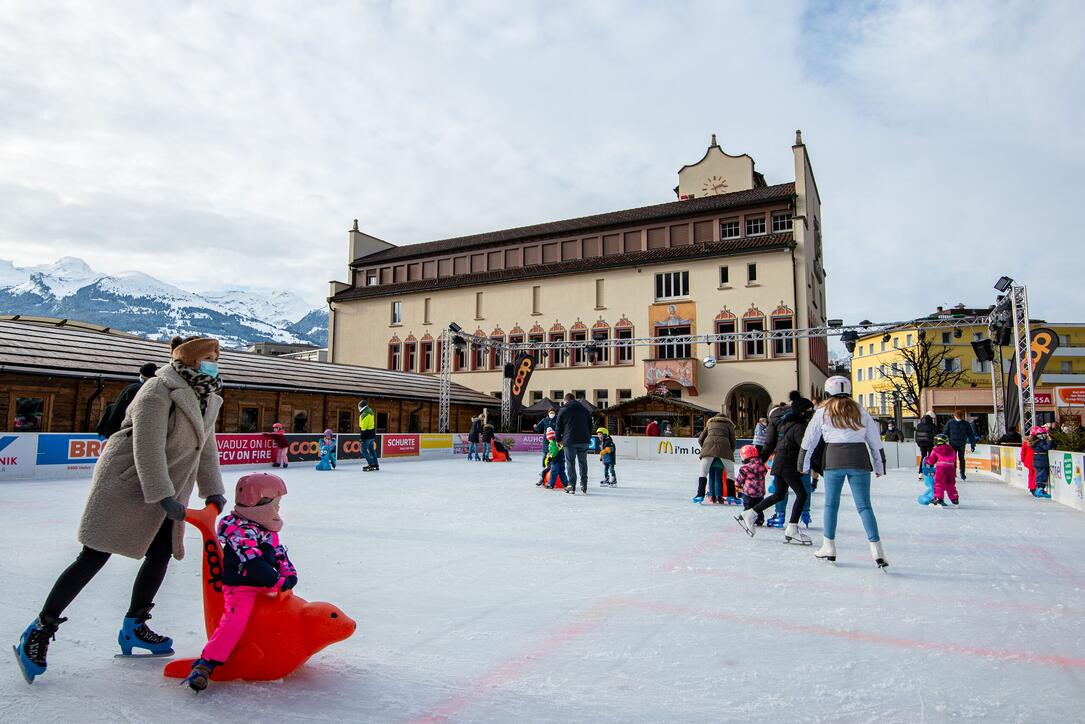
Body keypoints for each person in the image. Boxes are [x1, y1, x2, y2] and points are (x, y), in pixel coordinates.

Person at [15, 336, 227, 684]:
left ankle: (135, 626)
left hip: (168, 487)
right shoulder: (158, 390)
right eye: (207, 356)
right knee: (94, 554)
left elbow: (206, 447)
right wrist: (161, 494)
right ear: (188, 360)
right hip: (127, 482)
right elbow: (147, 445)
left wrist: (213, 490)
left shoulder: (209, 396)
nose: (214, 361)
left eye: (217, 356)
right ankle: (39, 630)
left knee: (160, 553)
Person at [183, 473, 297, 691]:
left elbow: (279, 553)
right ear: (260, 503)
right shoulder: (239, 530)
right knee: (235, 621)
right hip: (241, 588)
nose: (279, 509)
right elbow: (253, 563)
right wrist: (278, 581)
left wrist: (289, 573)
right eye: (276, 503)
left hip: (265, 587)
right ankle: (206, 664)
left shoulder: (266, 528)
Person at [801, 376, 888, 569]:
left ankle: (828, 546)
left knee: (831, 505)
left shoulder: (822, 411)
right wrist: (880, 466)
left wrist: (804, 465)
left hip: (834, 458)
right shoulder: (860, 410)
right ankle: (877, 549)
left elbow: (809, 439)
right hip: (859, 459)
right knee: (864, 506)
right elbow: (875, 440)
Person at [737, 396, 815, 545]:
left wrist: (758, 461)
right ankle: (792, 528)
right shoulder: (798, 425)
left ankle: (750, 513)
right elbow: (805, 447)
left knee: (779, 494)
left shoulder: (783, 422)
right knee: (802, 494)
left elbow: (769, 444)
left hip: (780, 462)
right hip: (788, 464)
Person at [96, 362, 159, 439]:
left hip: (127, 431)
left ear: (142, 375)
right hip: (151, 432)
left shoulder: (132, 389)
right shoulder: (159, 390)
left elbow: (119, 409)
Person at [694, 409, 736, 504]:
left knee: (703, 473)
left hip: (708, 448)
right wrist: (729, 452)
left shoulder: (710, 423)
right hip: (724, 448)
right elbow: (733, 441)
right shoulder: (729, 425)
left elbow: (700, 439)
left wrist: (705, 448)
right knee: (730, 473)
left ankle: (700, 495)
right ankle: (731, 496)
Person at [556, 394, 593, 494]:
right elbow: (590, 425)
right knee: (583, 463)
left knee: (570, 463)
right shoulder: (585, 410)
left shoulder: (563, 410)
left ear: (565, 401)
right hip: (584, 441)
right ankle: (584, 485)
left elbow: (558, 426)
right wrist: (588, 437)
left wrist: (558, 440)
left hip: (569, 441)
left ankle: (572, 486)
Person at [735, 444, 767, 526]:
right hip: (760, 492)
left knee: (748, 506)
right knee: (759, 507)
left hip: (749, 492)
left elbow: (739, 479)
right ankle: (760, 520)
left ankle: (745, 516)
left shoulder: (745, 468)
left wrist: (737, 485)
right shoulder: (762, 466)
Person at [925, 434, 960, 506]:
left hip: (941, 468)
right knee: (950, 484)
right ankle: (954, 498)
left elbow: (931, 460)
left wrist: (926, 461)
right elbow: (954, 458)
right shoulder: (951, 449)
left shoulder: (936, 449)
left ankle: (938, 498)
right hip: (951, 468)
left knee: (939, 483)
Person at [943, 409, 977, 480]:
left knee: (962, 459)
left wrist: (973, 445)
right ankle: (953, 473)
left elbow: (971, 434)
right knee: (953, 459)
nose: (959, 419)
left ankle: (962, 474)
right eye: (958, 417)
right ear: (954, 416)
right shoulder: (950, 423)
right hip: (952, 443)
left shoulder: (965, 423)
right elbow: (945, 433)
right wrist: (943, 443)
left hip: (962, 443)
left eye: (960, 417)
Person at [1028, 425, 1053, 498]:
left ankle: (1039, 489)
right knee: (1042, 475)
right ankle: (1040, 489)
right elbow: (1047, 447)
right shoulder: (1040, 442)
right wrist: (1050, 440)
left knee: (1040, 475)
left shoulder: (1035, 442)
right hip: (1041, 461)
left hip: (1038, 461)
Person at [914, 412, 937, 480]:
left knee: (923, 458)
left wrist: (918, 443)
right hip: (930, 443)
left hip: (921, 444)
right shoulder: (932, 425)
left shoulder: (919, 425)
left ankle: (920, 474)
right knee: (931, 458)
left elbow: (916, 436)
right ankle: (930, 473)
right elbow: (936, 433)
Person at [358, 400, 379, 471]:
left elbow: (363, 427)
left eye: (359, 406)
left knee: (363, 450)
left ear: (361, 406)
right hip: (372, 434)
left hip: (366, 434)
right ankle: (375, 464)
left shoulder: (364, 414)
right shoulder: (370, 411)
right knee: (371, 450)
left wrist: (362, 438)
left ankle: (371, 464)